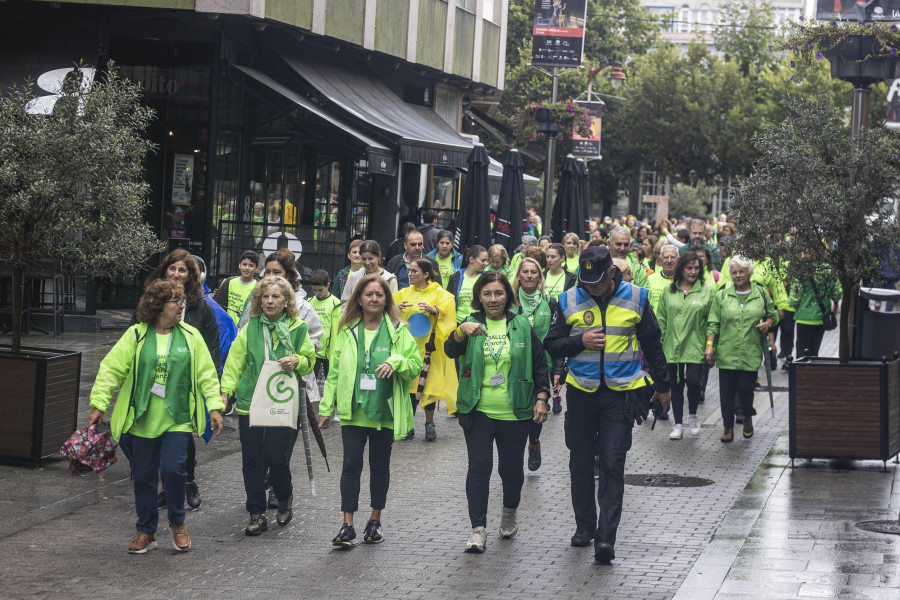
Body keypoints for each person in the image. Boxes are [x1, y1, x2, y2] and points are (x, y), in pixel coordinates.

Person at [545, 246, 670, 564]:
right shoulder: (568, 298)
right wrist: (579, 342)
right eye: (586, 281)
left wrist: (664, 387)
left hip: (620, 395)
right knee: (581, 463)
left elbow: (652, 343)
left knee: (613, 463)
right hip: (582, 394)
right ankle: (584, 527)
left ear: (612, 273)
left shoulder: (637, 298)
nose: (591, 287)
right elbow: (551, 343)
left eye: (597, 281)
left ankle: (606, 537)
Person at [87, 280, 224, 554]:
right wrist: (98, 404)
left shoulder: (190, 336)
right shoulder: (136, 335)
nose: (181, 305)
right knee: (143, 476)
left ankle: (177, 523)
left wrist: (214, 406)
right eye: (176, 301)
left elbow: (206, 374)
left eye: (182, 300)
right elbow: (110, 369)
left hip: (178, 419)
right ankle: (146, 531)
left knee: (174, 471)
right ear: (159, 306)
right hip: (141, 420)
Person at [444, 271, 551, 554]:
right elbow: (448, 350)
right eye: (487, 294)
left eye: (499, 293)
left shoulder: (521, 325)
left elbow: (540, 364)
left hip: (515, 411)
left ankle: (509, 513)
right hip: (477, 409)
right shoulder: (470, 324)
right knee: (479, 469)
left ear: (508, 295)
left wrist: (542, 397)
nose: (493, 299)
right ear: (479, 296)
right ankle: (478, 529)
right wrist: (459, 331)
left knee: (511, 469)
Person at [318, 275, 423, 546]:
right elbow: (335, 373)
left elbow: (414, 366)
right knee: (351, 465)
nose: (374, 299)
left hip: (384, 411)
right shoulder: (347, 330)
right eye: (369, 294)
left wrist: (396, 360)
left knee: (379, 467)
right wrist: (326, 407)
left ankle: (375, 521)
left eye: (379, 294)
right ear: (359, 299)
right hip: (353, 409)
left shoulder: (399, 329)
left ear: (387, 299)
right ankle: (347, 525)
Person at [221, 276, 316, 535]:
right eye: (265, 297)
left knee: (276, 456)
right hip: (250, 402)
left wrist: (297, 360)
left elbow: (310, 359)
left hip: (283, 402)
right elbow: (234, 362)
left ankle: (284, 497)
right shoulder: (250, 328)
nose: (270, 301)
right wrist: (225, 391)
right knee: (252, 460)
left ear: (287, 301)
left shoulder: (298, 328)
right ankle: (256, 513)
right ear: (258, 301)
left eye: (276, 297)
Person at [139, 248, 221, 511]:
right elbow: (132, 340)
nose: (176, 273)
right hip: (153, 383)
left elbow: (211, 349)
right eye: (172, 268)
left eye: (182, 270)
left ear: (190, 275)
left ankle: (188, 482)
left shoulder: (200, 307)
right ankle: (167, 486)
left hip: (186, 383)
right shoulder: (150, 301)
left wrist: (214, 393)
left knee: (182, 436)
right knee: (155, 434)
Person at [706, 256, 778, 443]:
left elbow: (773, 315)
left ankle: (747, 416)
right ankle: (728, 427)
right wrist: (710, 346)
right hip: (727, 351)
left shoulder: (761, 292)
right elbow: (713, 322)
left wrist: (767, 324)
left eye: (742, 272)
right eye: (734, 272)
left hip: (751, 351)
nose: (738, 275)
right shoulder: (722, 294)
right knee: (727, 393)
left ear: (749, 273)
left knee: (746, 389)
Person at [393, 259, 458, 441]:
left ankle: (430, 424)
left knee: (428, 386)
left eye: (414, 271)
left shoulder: (438, 292)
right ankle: (407, 424)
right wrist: (396, 309)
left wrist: (435, 309)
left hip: (430, 350)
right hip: (408, 348)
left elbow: (449, 309)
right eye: (410, 270)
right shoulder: (403, 293)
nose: (410, 274)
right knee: (409, 387)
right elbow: (388, 312)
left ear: (426, 274)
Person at [512, 257, 565, 462]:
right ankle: (515, 448)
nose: (529, 276)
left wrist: (558, 370)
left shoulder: (550, 302)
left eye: (534, 272)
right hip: (515, 364)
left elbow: (558, 337)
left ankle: (534, 441)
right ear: (518, 276)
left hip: (543, 365)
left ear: (540, 277)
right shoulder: (510, 302)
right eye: (525, 272)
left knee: (539, 405)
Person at [657, 253, 715, 439]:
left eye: (696, 268)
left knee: (693, 382)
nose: (693, 271)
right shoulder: (669, 290)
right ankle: (678, 424)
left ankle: (692, 417)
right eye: (689, 268)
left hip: (695, 345)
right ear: (681, 269)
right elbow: (662, 319)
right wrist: (659, 345)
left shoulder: (706, 291)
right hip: (671, 346)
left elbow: (712, 321)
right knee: (675, 384)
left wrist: (710, 345)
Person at [790, 270, 841, 359]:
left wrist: (795, 306)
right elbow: (837, 294)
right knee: (814, 352)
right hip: (821, 318)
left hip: (804, 317)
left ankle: (801, 372)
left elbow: (795, 296)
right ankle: (812, 372)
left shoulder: (803, 270)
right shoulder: (831, 271)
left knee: (802, 353)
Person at [309, 269, 341, 381]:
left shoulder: (336, 303)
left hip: (330, 353)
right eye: (314, 290)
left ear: (328, 285)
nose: (317, 293)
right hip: (313, 351)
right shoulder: (309, 302)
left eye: (320, 290)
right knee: (310, 385)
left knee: (331, 385)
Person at [213, 250, 259, 325]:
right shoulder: (229, 282)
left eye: (251, 265)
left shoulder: (258, 287)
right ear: (239, 265)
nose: (247, 268)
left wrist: (246, 315)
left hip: (245, 329)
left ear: (256, 268)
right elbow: (218, 305)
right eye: (244, 264)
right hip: (228, 328)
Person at [447, 245, 488, 325]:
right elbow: (447, 301)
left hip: (479, 323)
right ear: (471, 259)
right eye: (483, 260)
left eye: (487, 261)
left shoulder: (487, 278)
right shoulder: (456, 277)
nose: (486, 263)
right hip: (457, 323)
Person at [647, 245, 680, 313]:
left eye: (673, 257)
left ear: (678, 259)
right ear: (660, 260)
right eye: (666, 257)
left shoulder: (684, 281)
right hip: (655, 322)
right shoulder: (650, 279)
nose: (669, 260)